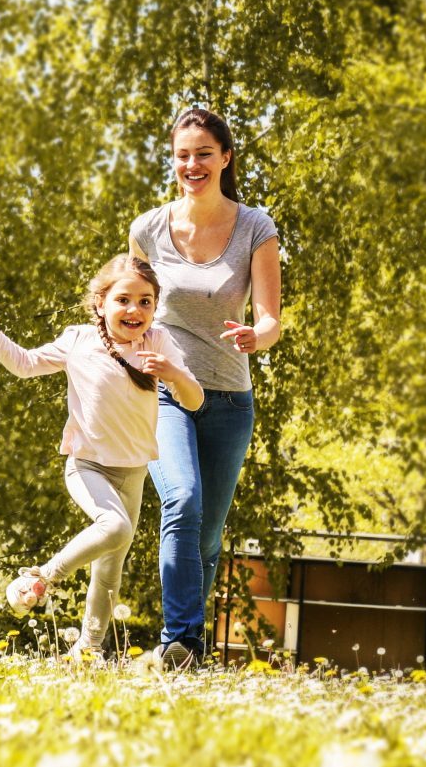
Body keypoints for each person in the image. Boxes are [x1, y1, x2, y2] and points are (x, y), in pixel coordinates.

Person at [0, 257, 203, 659]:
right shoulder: (79, 340)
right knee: (116, 527)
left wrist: (175, 374)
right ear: (101, 302)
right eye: (123, 299)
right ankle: (40, 577)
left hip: (132, 472)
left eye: (146, 302)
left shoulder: (158, 343)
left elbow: (195, 401)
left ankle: (86, 651)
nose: (134, 311)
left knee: (108, 571)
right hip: (86, 465)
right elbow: (23, 364)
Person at [129, 106, 282, 668]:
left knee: (209, 535)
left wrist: (254, 336)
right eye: (182, 155)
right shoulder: (147, 228)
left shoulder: (254, 227)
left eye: (203, 154)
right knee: (182, 500)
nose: (191, 164)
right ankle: (182, 641)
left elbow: (271, 320)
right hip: (164, 389)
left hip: (227, 398)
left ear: (225, 158)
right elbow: (127, 303)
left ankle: (186, 650)